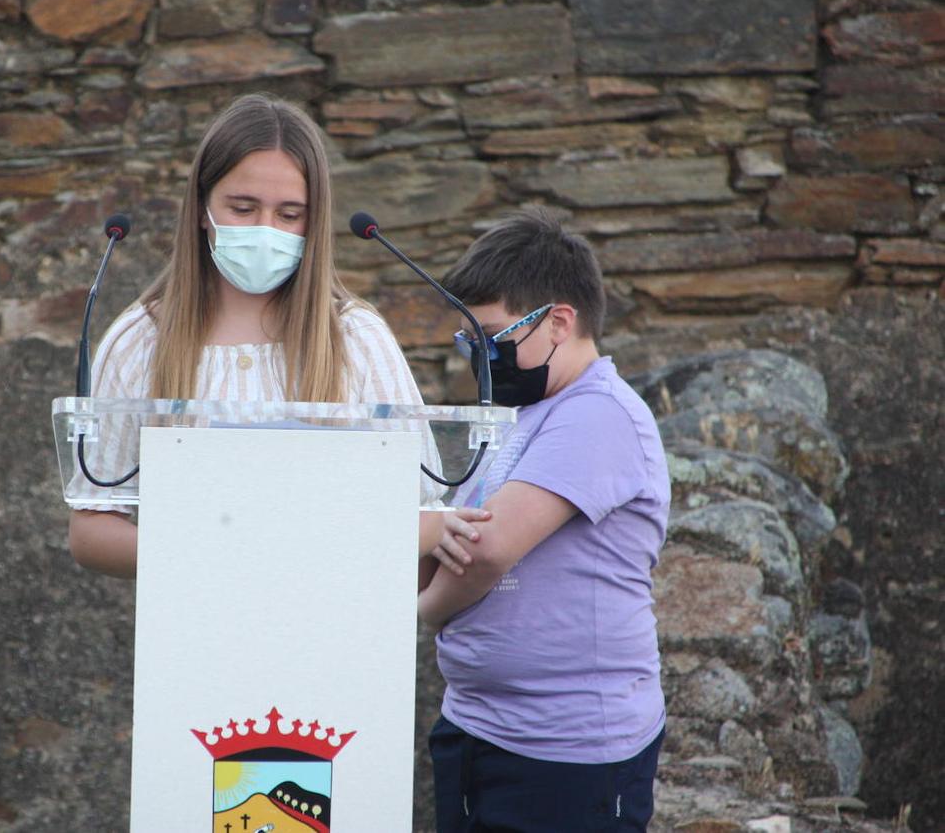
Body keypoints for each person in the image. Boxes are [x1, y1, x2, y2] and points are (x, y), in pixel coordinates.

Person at [68, 93, 443, 577]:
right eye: (243, 208)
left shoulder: (356, 337)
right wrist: (214, 554)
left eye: (289, 215)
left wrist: (315, 554)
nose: (265, 230)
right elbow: (91, 526)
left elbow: (429, 510)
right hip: (194, 631)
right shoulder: (140, 339)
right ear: (202, 208)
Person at [416, 211, 669, 832]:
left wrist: (417, 614)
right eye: (468, 339)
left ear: (560, 321)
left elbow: (483, 546)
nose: (479, 355)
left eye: (493, 336)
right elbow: (446, 531)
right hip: (481, 729)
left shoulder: (597, 414)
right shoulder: (529, 415)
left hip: (567, 752)